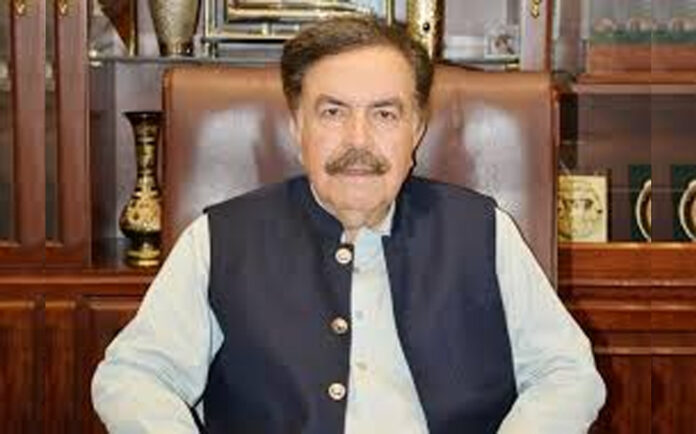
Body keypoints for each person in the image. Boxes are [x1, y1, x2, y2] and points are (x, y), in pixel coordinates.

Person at [92, 16, 605, 434]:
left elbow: (566, 373)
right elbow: (134, 375)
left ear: (416, 130)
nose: (358, 141)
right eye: (333, 112)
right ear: (297, 127)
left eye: (384, 114)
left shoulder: (485, 232)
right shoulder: (219, 241)